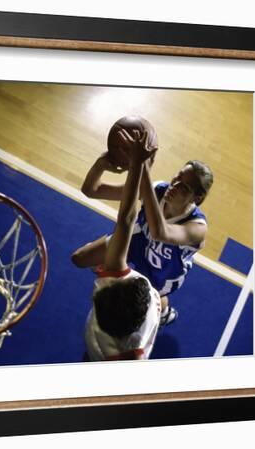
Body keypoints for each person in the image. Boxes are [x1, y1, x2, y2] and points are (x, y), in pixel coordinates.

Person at [72, 134, 214, 328]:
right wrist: (101, 164)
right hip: (137, 242)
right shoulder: (157, 190)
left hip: (163, 270)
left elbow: (160, 232)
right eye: (178, 176)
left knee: (130, 317)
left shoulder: (197, 228)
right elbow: (91, 190)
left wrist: (143, 167)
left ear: (197, 198)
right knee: (79, 258)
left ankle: (163, 311)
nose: (175, 184)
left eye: (185, 186)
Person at [84, 128, 162, 361]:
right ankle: (166, 310)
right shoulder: (136, 352)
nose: (126, 274)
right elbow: (128, 220)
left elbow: (126, 220)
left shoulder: (107, 290)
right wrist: (138, 164)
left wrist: (136, 164)